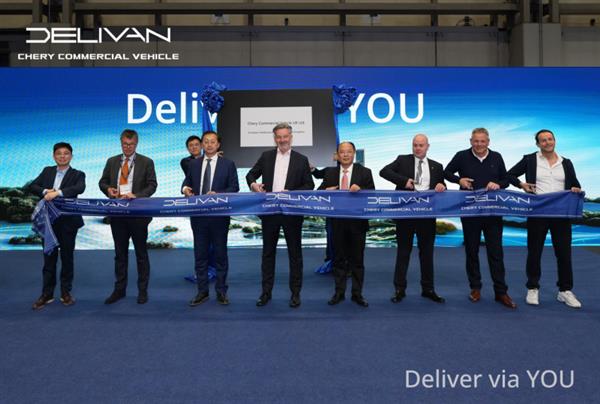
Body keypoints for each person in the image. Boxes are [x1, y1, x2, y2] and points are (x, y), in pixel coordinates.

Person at [507, 129, 583, 308]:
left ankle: (565, 291)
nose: (548, 142)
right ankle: (533, 288)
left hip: (561, 214)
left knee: (564, 253)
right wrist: (522, 184)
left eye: (550, 139)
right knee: (535, 252)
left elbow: (575, 184)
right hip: (537, 212)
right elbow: (510, 175)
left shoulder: (566, 162)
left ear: (555, 140)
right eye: (543, 140)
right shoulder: (530, 160)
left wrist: (575, 189)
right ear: (538, 144)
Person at [444, 128, 516, 309]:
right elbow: (447, 173)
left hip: (493, 213)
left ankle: (501, 292)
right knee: (471, 251)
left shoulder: (496, 157)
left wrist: (498, 184)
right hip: (470, 212)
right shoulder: (461, 156)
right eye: (476, 141)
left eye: (482, 141)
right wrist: (459, 180)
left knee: (496, 253)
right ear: (471, 141)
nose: (479, 144)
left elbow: (506, 180)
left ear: (488, 142)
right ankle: (475, 288)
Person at [246, 122, 314, 308]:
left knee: (295, 255)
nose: (282, 140)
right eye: (279, 137)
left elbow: (309, 185)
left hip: (292, 213)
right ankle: (265, 293)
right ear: (275, 138)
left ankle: (295, 294)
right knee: (268, 254)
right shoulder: (266, 156)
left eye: (285, 136)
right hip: (270, 212)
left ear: (291, 137)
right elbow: (250, 175)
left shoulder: (301, 159)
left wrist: (291, 192)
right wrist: (254, 185)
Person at [380, 134, 446, 304]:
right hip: (405, 215)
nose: (417, 148)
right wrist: (403, 181)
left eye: (421, 145)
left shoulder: (437, 166)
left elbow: (441, 186)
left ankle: (428, 289)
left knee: (427, 254)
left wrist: (442, 186)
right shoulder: (402, 160)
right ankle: (399, 290)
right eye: (415, 145)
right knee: (403, 252)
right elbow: (383, 171)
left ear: (427, 146)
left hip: (427, 216)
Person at [99, 129, 157, 305]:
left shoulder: (147, 162)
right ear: (121, 143)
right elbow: (102, 182)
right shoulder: (111, 161)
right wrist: (108, 189)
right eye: (125, 144)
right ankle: (119, 290)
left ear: (136, 144)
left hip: (138, 215)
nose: (128, 147)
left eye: (131, 144)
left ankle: (142, 291)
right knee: (120, 254)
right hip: (117, 215)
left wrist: (137, 196)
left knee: (141, 254)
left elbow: (152, 185)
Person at [182, 131, 239, 306]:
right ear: (202, 145)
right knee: (200, 255)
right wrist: (185, 189)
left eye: (212, 142)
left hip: (219, 216)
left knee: (220, 255)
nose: (209, 145)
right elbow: (186, 183)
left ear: (218, 144)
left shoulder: (228, 164)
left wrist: (218, 194)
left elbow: (234, 187)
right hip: (198, 216)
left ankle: (221, 291)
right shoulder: (194, 164)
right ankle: (202, 292)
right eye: (205, 142)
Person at [29, 142, 86, 310]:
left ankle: (65, 292)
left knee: (67, 258)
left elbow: (79, 188)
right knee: (49, 258)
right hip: (49, 222)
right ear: (54, 156)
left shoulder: (78, 174)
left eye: (66, 153)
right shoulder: (47, 171)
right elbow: (33, 186)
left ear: (71, 156)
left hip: (68, 222)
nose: (62, 156)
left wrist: (57, 193)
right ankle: (47, 294)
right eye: (59, 153)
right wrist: (45, 191)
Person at [318, 141, 375, 307]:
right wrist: (325, 191)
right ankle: (339, 293)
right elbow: (318, 193)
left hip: (357, 224)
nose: (345, 154)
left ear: (354, 153)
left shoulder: (365, 172)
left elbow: (373, 194)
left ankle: (357, 294)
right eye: (342, 152)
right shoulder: (330, 172)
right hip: (337, 224)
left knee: (357, 261)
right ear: (337, 155)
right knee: (339, 260)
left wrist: (361, 189)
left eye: (349, 151)